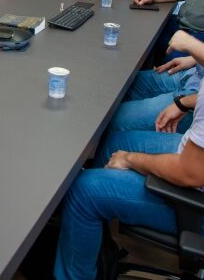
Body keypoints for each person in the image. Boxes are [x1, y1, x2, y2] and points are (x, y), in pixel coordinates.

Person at [54, 31, 204, 280]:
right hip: (192, 154)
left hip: (193, 198)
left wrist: (131, 159)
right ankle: (87, 237)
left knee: (82, 191)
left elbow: (190, 173)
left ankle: (80, 218)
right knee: (114, 143)